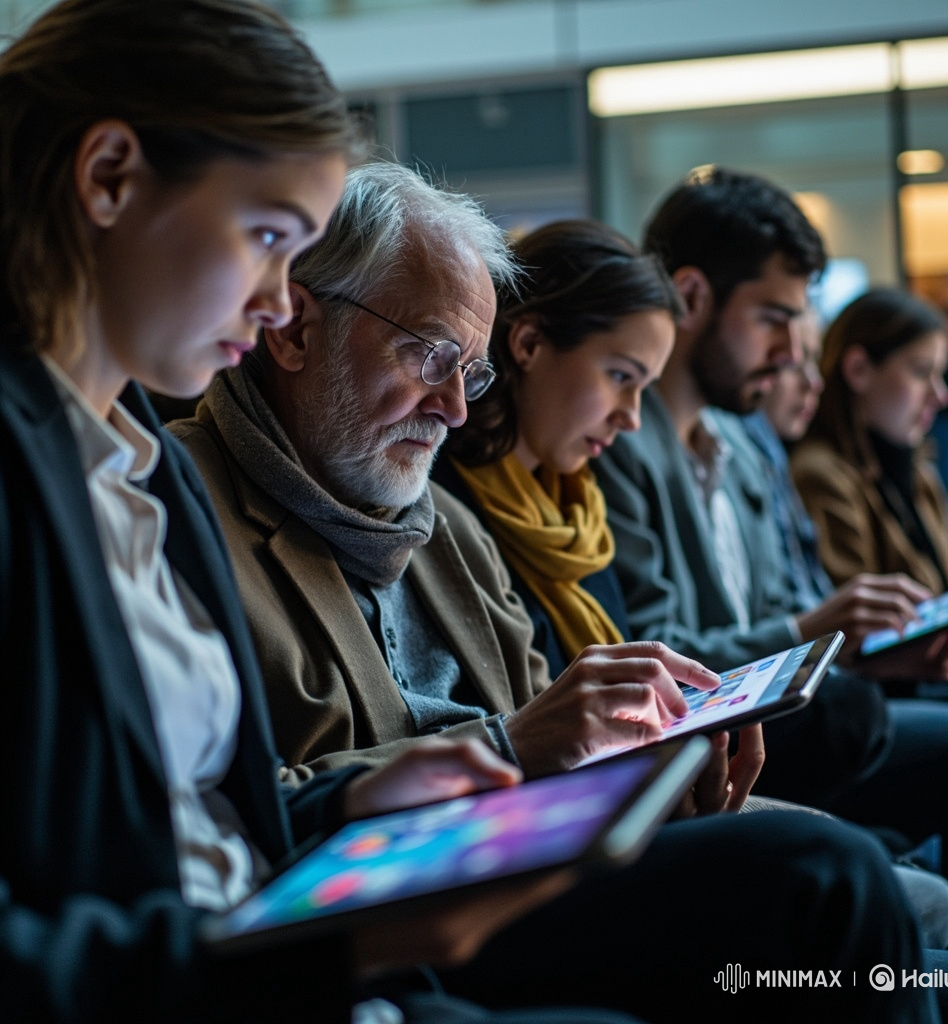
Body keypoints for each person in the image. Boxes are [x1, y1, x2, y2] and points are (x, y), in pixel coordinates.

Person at [171, 159, 948, 1023]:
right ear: (292, 331)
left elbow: (544, 732)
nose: (455, 410)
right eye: (432, 356)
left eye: (469, 375)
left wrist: (647, 752)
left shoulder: (442, 522)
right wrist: (516, 746)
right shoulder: (182, 510)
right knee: (834, 869)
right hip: (396, 924)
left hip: (526, 855)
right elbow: (236, 816)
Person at [0, 3, 656, 1022]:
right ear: (108, 177)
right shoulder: (95, 465)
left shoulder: (129, 460)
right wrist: (317, 948)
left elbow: (198, 822)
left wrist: (348, 805)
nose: (273, 303)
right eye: (267, 237)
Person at [593, 165, 948, 1005]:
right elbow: (665, 653)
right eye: (775, 320)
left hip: (773, 712)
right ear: (691, 296)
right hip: (726, 732)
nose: (795, 353)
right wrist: (813, 630)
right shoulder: (619, 447)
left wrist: (850, 637)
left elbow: (774, 607)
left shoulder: (741, 444)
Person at [436, 218, 680, 677]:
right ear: (529, 343)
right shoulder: (439, 505)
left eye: (644, 387)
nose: (632, 418)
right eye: (621, 377)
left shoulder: (578, 507)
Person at [790, 287, 948, 664]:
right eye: (921, 373)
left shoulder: (915, 470)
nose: (941, 395)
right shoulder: (820, 473)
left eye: (940, 375)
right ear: (858, 370)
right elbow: (864, 638)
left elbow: (944, 595)